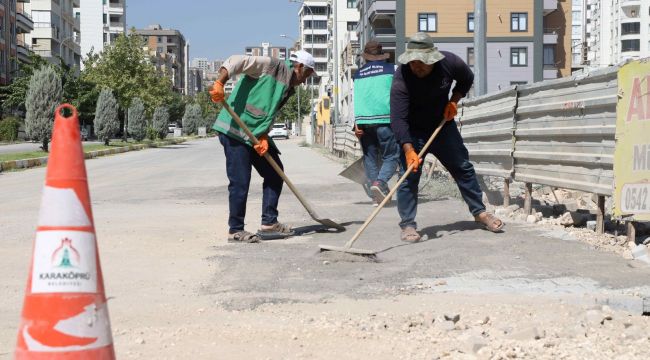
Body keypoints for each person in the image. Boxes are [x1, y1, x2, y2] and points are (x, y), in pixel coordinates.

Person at [390, 32, 504, 243]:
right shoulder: (402, 77)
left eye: (421, 63)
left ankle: (479, 212)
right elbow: (398, 119)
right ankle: (407, 225)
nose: (417, 67)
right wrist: (408, 149)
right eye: (413, 63)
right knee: (409, 176)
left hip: (442, 126)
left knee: (462, 167)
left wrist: (454, 100)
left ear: (432, 59)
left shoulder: (450, 63)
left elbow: (466, 79)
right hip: (413, 131)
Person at [210, 50, 315, 243]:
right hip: (234, 131)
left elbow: (264, 111)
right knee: (240, 181)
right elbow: (235, 61)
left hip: (254, 135)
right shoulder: (271, 65)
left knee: (275, 173)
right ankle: (235, 230)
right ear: (299, 67)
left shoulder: (287, 86)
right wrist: (220, 82)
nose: (305, 81)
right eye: (307, 75)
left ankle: (269, 224)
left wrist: (264, 136)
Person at [353, 40, 401, 206]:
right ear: (381, 55)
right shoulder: (392, 70)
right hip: (385, 120)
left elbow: (357, 99)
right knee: (391, 155)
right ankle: (379, 184)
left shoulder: (358, 74)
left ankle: (376, 197)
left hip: (364, 122)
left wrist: (356, 123)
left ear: (366, 58)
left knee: (370, 158)